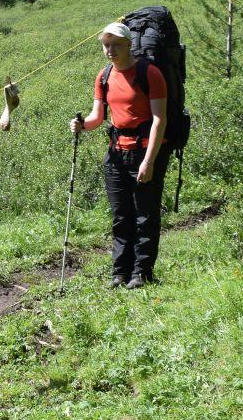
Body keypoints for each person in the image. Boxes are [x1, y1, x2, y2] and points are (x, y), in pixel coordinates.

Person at [70, 22, 170, 289]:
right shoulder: (104, 76)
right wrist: (82, 125)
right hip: (116, 155)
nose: (110, 50)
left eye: (115, 44)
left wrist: (149, 162)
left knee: (145, 215)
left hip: (145, 152)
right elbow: (98, 117)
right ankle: (120, 273)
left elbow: (160, 120)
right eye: (106, 45)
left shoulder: (150, 73)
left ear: (129, 45)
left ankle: (142, 273)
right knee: (121, 215)